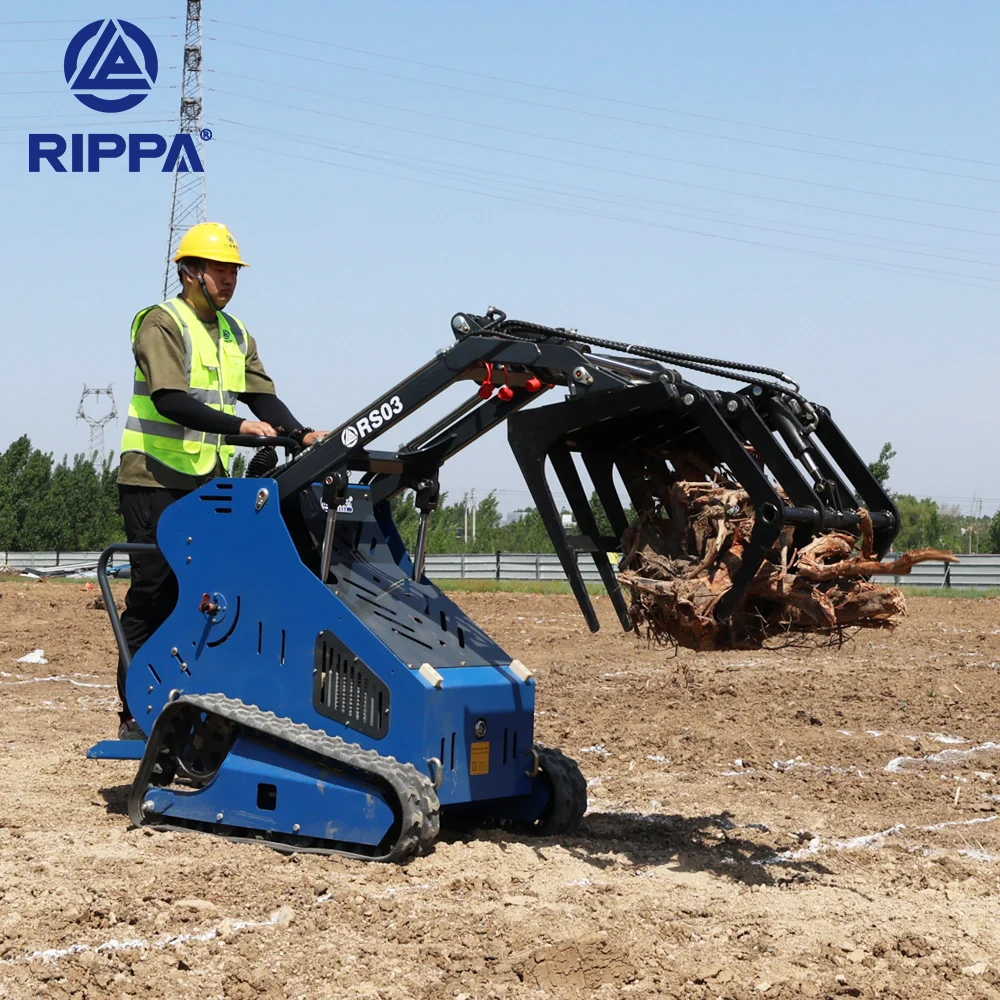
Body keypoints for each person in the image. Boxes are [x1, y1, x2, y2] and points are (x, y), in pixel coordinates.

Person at [115, 221, 326, 738]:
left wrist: (298, 434)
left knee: (206, 593)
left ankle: (191, 702)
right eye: (219, 269)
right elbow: (170, 399)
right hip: (153, 478)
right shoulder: (162, 323)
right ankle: (135, 711)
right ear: (190, 272)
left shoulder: (235, 333)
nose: (229, 279)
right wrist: (239, 429)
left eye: (234, 271)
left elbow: (260, 396)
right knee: (156, 593)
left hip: (204, 480)